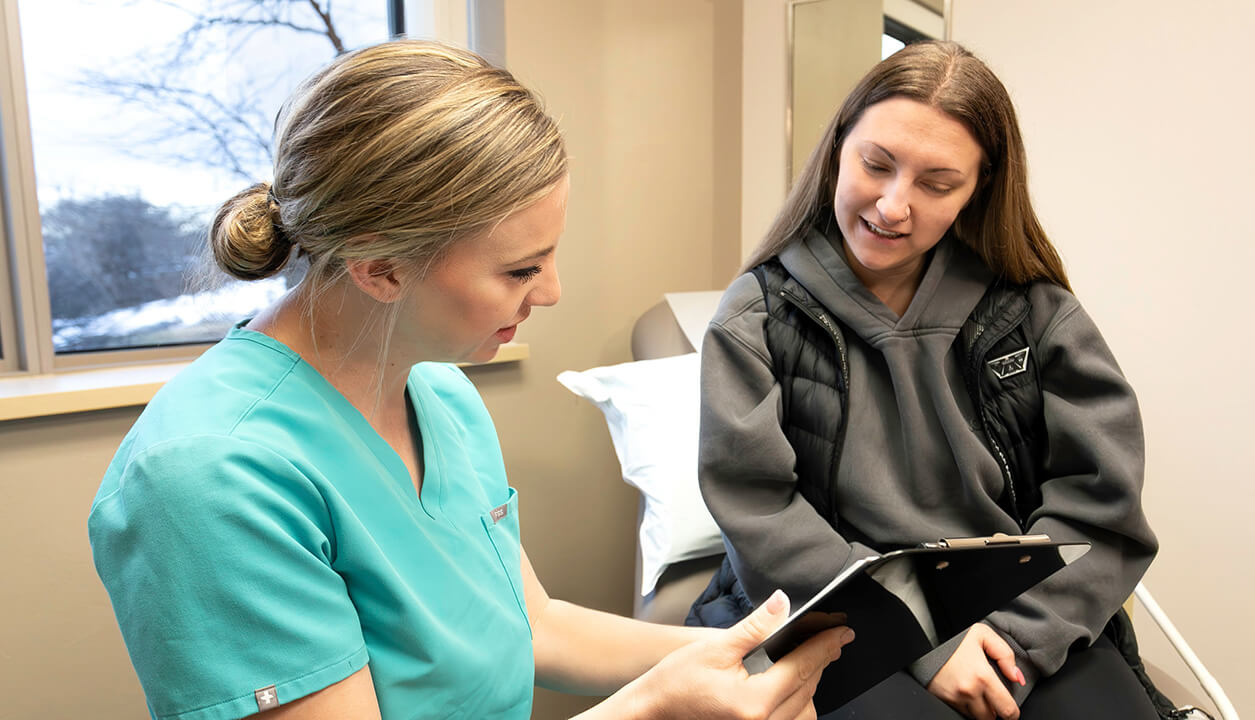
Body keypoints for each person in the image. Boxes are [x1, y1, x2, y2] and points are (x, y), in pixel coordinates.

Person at [87, 40, 854, 720]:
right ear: (381, 268)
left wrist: (735, 653)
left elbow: (533, 626)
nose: (552, 291)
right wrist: (655, 708)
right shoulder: (210, 476)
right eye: (521, 269)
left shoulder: (439, 394)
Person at [692, 40, 1160, 720]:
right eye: (875, 164)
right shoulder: (757, 317)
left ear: (979, 191)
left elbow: (1102, 509)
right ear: (837, 150)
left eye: (937, 184)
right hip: (836, 613)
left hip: (1015, 608)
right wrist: (923, 642)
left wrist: (1015, 640)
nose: (892, 206)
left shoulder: (1034, 313)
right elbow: (759, 509)